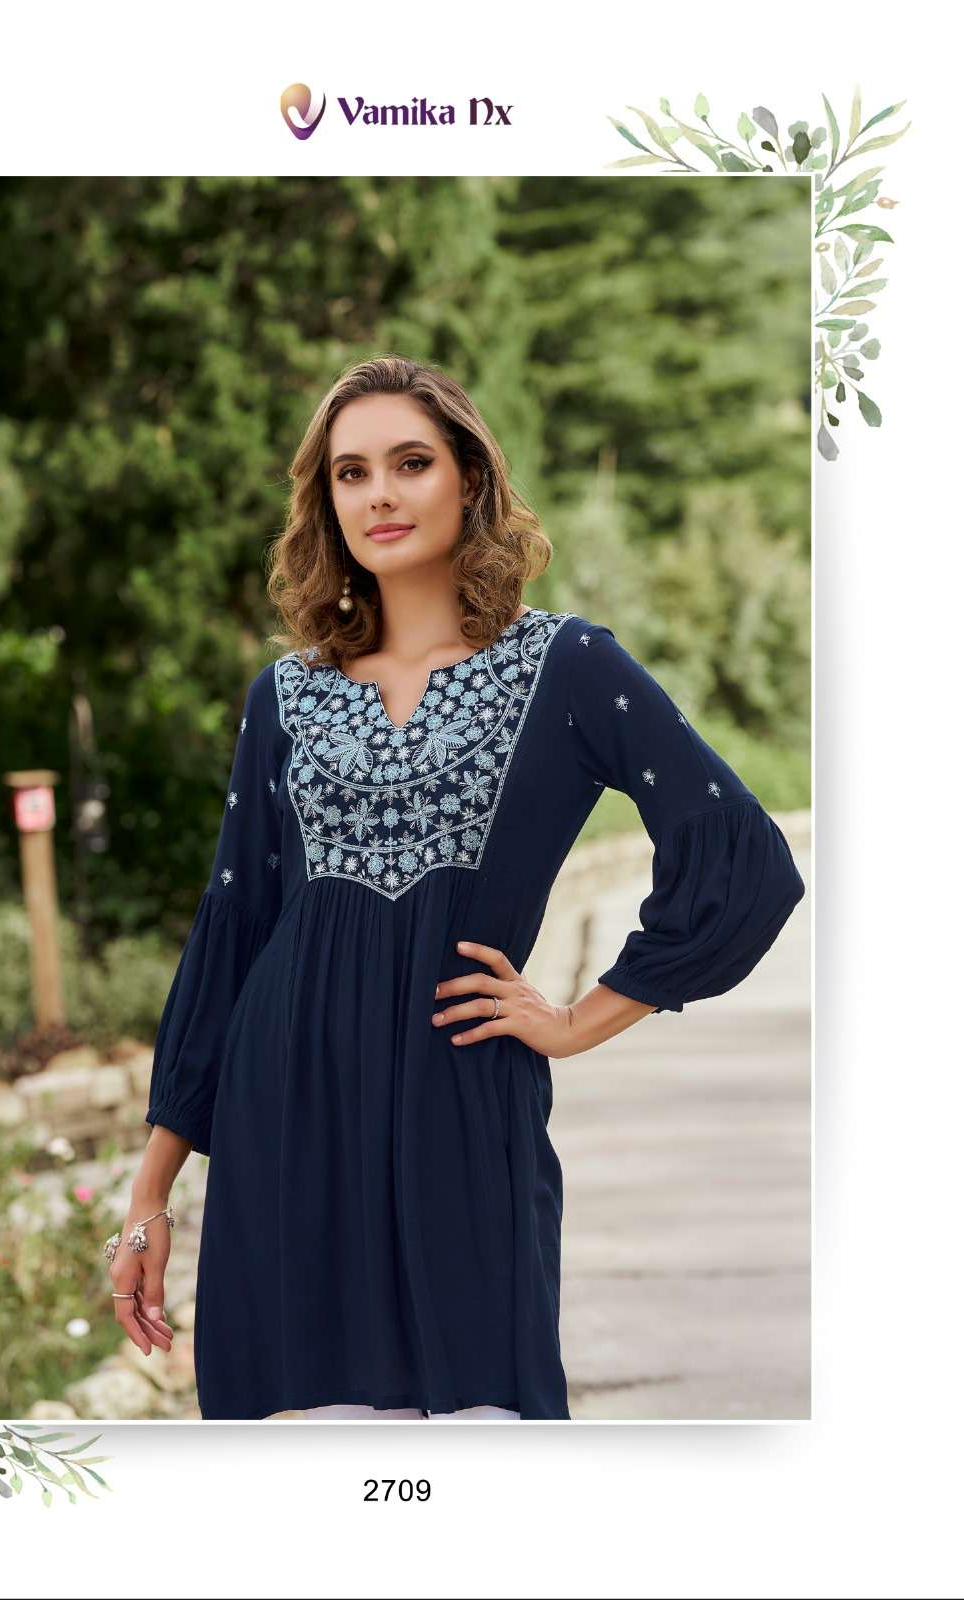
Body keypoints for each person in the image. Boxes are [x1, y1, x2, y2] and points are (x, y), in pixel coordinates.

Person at [105, 355, 806, 1422]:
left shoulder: (566, 666)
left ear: (469, 479)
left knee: (485, 1435)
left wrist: (578, 1020)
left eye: (411, 463)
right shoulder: (284, 696)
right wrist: (150, 1193)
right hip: (284, 1124)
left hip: (464, 1111)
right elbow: (234, 931)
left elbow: (739, 852)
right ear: (325, 500)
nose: (378, 495)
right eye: (350, 473)